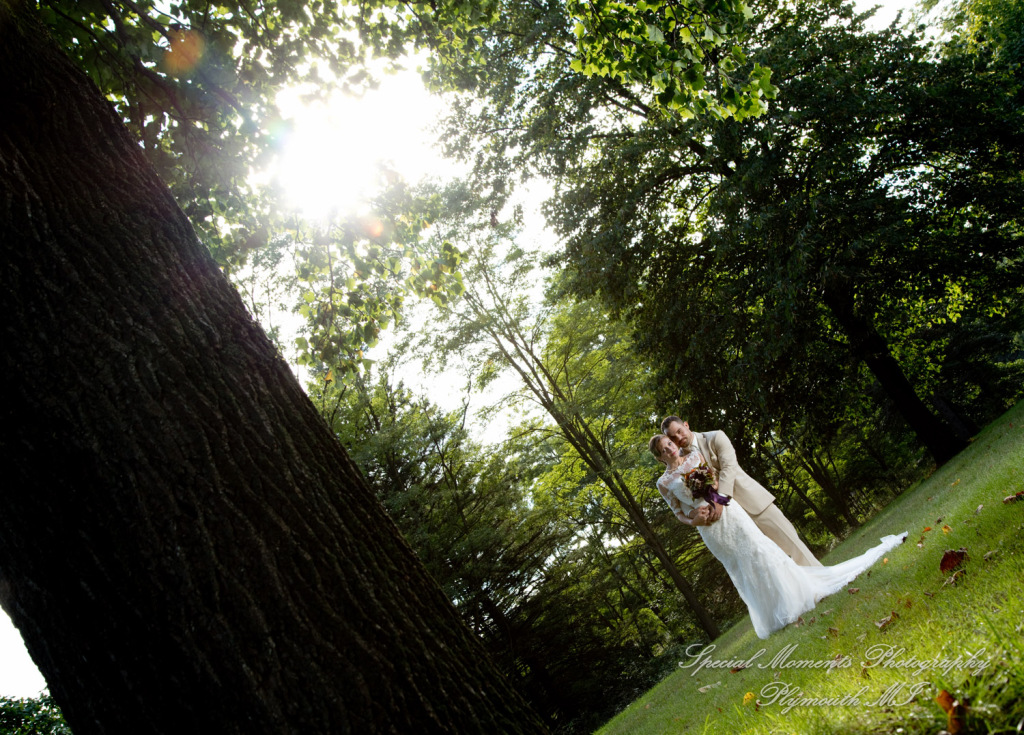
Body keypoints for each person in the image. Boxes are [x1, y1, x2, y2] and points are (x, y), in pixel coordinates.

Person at [650, 433, 906, 638]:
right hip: (709, 528)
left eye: (669, 443)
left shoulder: (695, 455)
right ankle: (772, 614)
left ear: (674, 442)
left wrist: (713, 493)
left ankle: (796, 597)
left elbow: (717, 479)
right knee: (740, 566)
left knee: (759, 550)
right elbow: (678, 513)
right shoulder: (663, 483)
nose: (669, 449)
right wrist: (695, 519)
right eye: (663, 449)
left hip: (728, 512)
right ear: (659, 458)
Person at [661, 415, 822, 567]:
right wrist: (694, 514)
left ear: (686, 425)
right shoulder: (678, 462)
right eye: (673, 437)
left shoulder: (715, 437)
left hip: (752, 502)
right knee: (765, 560)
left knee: (791, 543)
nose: (678, 438)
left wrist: (719, 500)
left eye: (679, 431)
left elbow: (729, 468)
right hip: (730, 521)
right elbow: (683, 496)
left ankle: (820, 579)